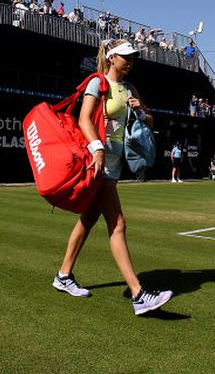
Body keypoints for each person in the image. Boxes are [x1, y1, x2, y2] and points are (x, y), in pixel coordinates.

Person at [52, 39, 172, 316]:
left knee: (90, 217)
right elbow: (84, 119)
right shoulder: (97, 82)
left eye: (133, 58)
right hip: (101, 161)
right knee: (117, 224)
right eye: (125, 57)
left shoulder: (130, 88)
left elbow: (148, 121)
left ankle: (63, 275)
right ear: (112, 57)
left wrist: (141, 110)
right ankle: (139, 294)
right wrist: (96, 150)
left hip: (116, 162)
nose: (130, 62)